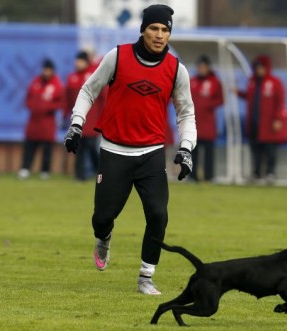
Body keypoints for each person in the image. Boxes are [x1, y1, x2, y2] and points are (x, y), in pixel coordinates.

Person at [63, 4, 196, 295]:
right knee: (101, 217)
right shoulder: (118, 56)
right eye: (154, 29)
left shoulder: (176, 69)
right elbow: (89, 89)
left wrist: (186, 148)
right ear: (143, 30)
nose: (160, 35)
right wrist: (76, 124)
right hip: (114, 151)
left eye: (165, 30)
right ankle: (104, 236)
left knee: (159, 215)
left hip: (151, 154)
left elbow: (186, 113)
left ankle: (146, 277)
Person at [236, 55, 287, 183]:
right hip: (254, 122)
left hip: (269, 123)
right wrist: (238, 93)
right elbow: (250, 97)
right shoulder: (252, 82)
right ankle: (256, 173)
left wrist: (277, 119)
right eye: (257, 68)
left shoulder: (275, 82)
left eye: (261, 68)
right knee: (255, 149)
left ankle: (270, 173)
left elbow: (280, 102)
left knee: (270, 149)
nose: (259, 70)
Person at [64, 50, 108, 181]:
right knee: (79, 146)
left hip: (93, 119)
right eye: (77, 60)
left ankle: (99, 171)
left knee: (91, 147)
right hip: (78, 119)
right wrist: (66, 114)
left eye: (81, 60)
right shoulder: (72, 77)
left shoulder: (93, 74)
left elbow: (103, 96)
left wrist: (104, 115)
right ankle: (80, 175)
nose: (78, 63)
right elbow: (68, 99)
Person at [18, 59, 64, 180]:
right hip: (34, 120)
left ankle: (45, 171)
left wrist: (47, 107)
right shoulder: (35, 82)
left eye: (48, 69)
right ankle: (25, 168)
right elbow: (28, 98)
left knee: (47, 148)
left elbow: (60, 102)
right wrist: (33, 106)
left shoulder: (56, 84)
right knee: (30, 146)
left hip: (47, 121)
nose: (46, 71)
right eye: (45, 69)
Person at [189, 55, 224, 182]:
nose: (201, 69)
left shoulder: (215, 82)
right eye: (199, 67)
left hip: (208, 122)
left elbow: (221, 99)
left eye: (204, 67)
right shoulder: (192, 81)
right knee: (193, 151)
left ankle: (209, 176)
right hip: (193, 122)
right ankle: (192, 176)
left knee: (208, 151)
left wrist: (207, 105)